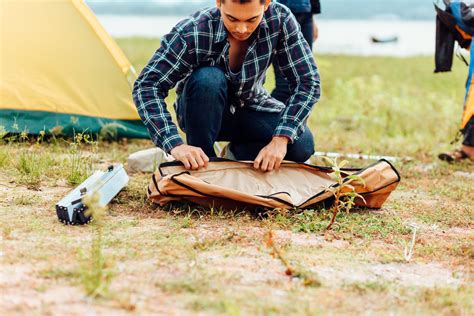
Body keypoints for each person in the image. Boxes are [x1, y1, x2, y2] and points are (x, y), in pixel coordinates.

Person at [133, 0, 320, 172]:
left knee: (301, 145)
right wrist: (175, 145)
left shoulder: (280, 19)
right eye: (232, 18)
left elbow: (307, 81)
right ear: (219, 3)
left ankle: (235, 154)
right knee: (209, 78)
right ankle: (202, 164)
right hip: (201, 110)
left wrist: (280, 139)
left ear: (266, 4)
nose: (241, 29)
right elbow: (147, 85)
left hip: (250, 106)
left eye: (251, 19)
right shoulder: (193, 31)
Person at [272, 0, 321, 103]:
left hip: (306, 12)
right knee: (284, 86)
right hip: (280, 13)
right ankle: (267, 118)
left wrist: (312, 17)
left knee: (306, 82)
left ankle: (298, 119)